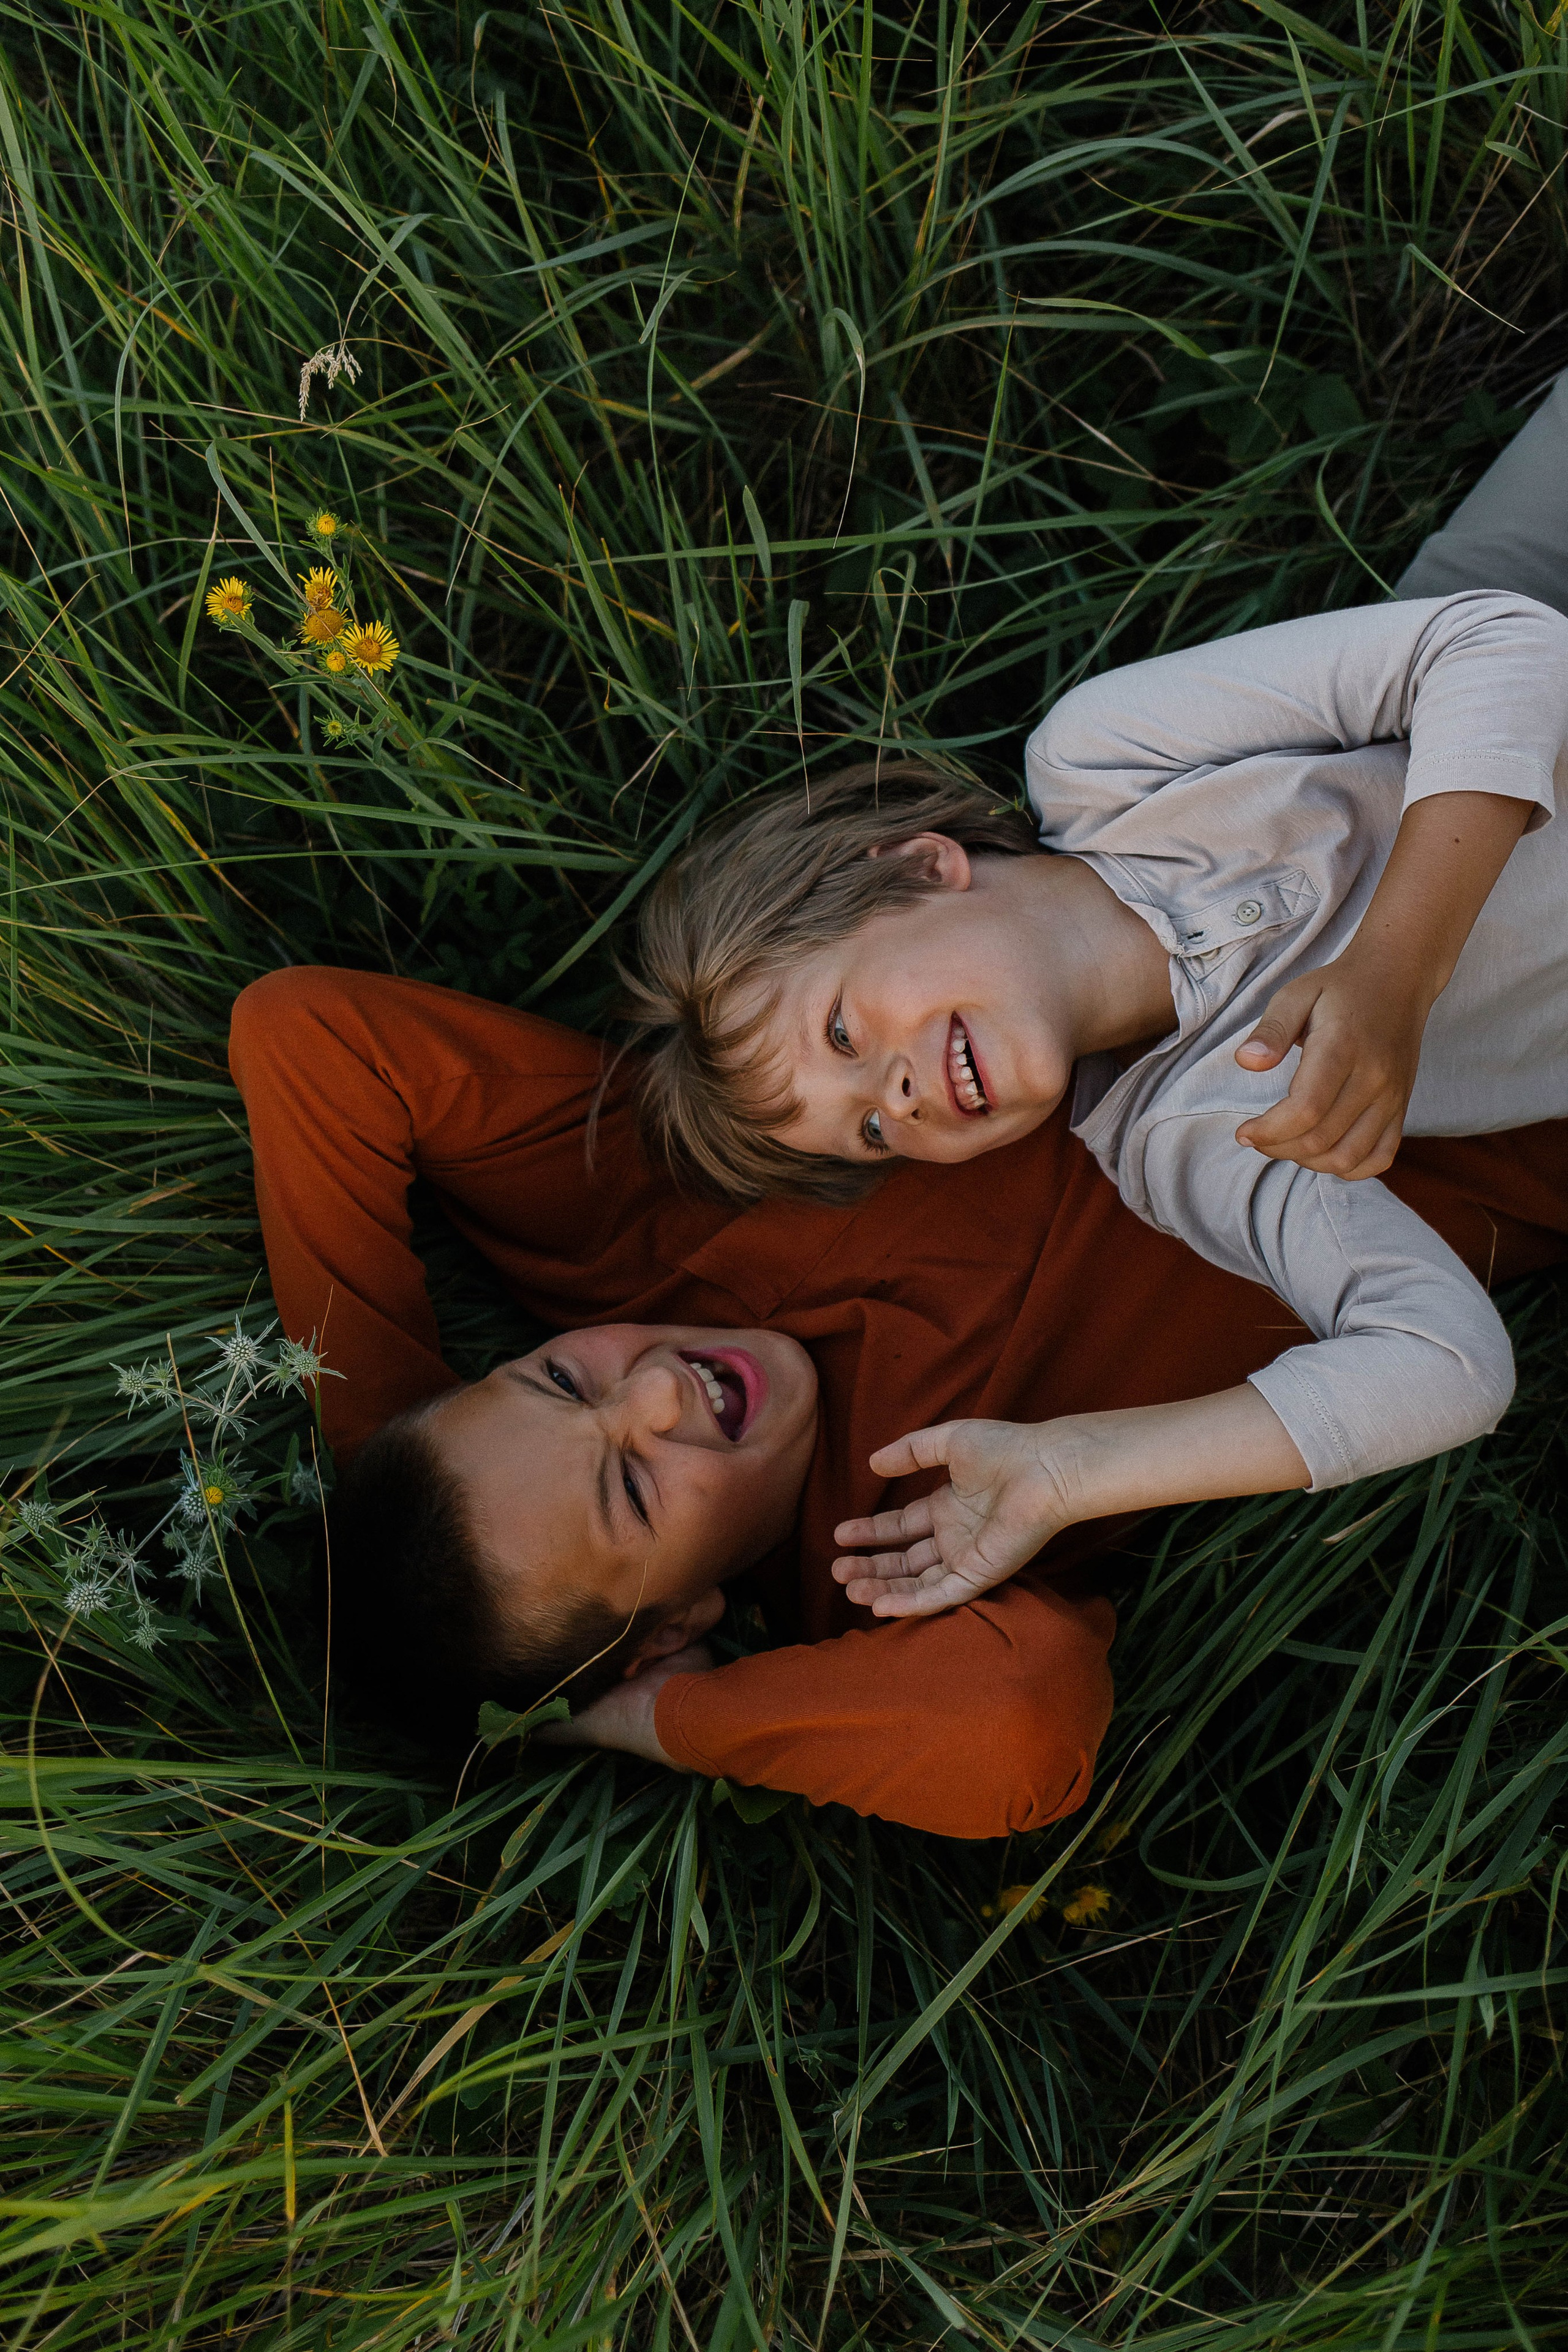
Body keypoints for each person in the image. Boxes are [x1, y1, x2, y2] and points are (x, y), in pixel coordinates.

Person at [625, 380, 1568, 1623]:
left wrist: (1392, 978)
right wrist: (1075, 1469)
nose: (894, 1098)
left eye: (844, 1034)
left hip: (1497, 641)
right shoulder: (1187, 1138)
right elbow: (1443, 1366)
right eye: (867, 1131)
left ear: (913, 867)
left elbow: (1501, 645)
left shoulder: (1104, 757)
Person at [229, 962, 1568, 1838]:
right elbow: (1014, 1731)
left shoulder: (627, 1226)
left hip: (1356, 874)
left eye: (557, 1379)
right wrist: (649, 1716)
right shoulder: (893, 1568)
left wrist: (393, 1464)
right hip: (1515, 1116)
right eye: (630, 1487)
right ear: (675, 1624)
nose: (648, 1388)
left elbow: (309, 1039)